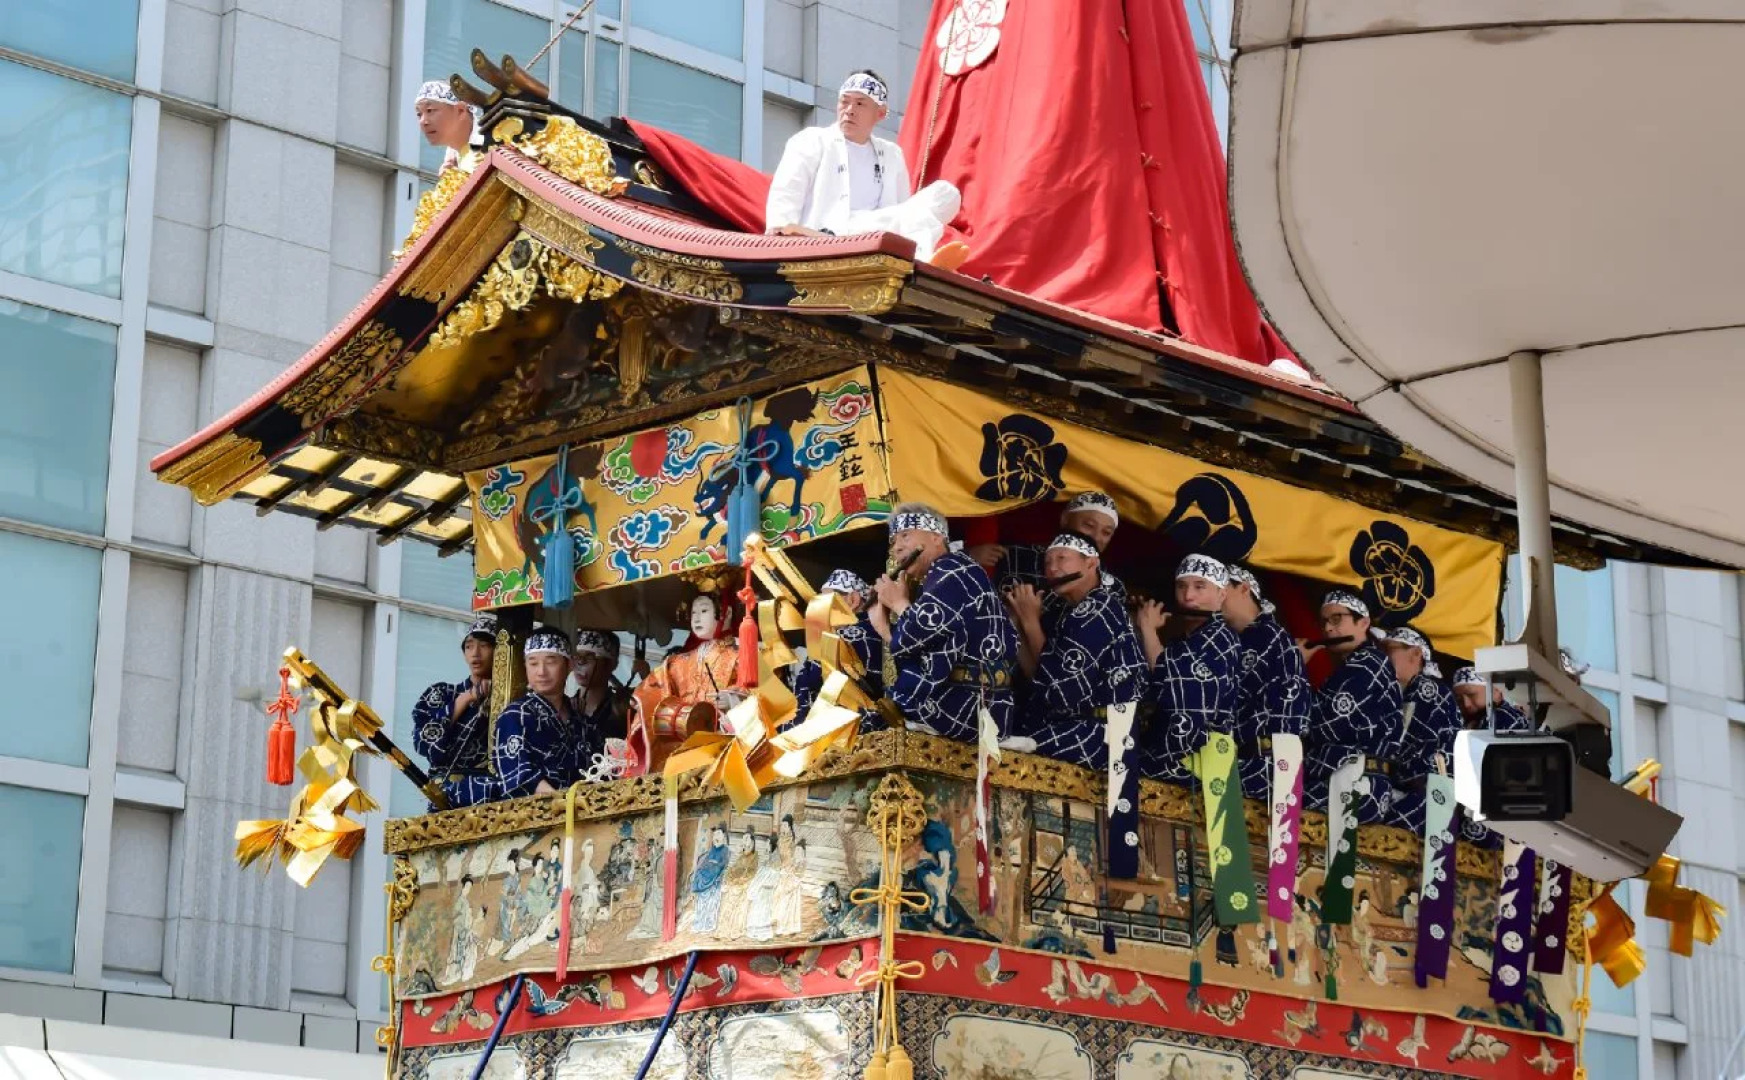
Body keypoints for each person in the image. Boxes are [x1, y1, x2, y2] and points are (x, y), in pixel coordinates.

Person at [765, 70, 970, 269]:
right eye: (844, 101)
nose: (849, 110)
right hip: (831, 234)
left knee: (946, 192)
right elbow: (787, 191)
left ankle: (920, 257)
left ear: (880, 113)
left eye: (860, 103)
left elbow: (905, 209)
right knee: (912, 216)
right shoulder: (812, 140)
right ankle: (922, 261)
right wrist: (779, 234)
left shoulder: (892, 154)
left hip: (878, 233)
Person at [867, 502, 1018, 742]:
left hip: (965, 708)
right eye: (893, 542)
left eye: (905, 535)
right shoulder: (953, 571)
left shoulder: (952, 569)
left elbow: (923, 633)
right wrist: (885, 628)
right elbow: (928, 644)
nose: (897, 548)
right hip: (984, 706)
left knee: (868, 721)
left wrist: (898, 603)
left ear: (936, 537)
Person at [1004, 533, 1146, 768]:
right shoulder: (1066, 611)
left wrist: (1030, 620)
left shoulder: (1099, 608)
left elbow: (1060, 690)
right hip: (1072, 727)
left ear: (1091, 563)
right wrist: (1017, 622)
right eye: (1047, 562)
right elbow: (1039, 677)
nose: (1052, 568)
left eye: (1062, 558)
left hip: (1097, 735)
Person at [442, 627, 601, 808]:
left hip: (580, 811)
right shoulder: (516, 715)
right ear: (525, 666)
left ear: (569, 665)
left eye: (551, 662)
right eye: (533, 663)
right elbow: (519, 775)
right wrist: (563, 804)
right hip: (537, 812)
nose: (541, 672)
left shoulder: (584, 724)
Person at [1135, 555, 1242, 781]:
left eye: (1199, 587)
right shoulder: (1184, 640)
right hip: (1167, 753)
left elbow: (1173, 685)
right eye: (1181, 586)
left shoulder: (1221, 638)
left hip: (1194, 762)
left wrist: (1148, 630)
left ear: (1221, 594)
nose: (1188, 596)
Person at [1301, 590, 1405, 823]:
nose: (1328, 629)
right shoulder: (1355, 665)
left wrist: (1295, 668)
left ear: (1363, 623)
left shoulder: (1369, 663)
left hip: (1357, 782)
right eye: (1324, 622)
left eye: (1337, 619)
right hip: (1348, 779)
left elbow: (1329, 724)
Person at [628, 590, 742, 773]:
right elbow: (657, 682)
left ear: (726, 613)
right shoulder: (679, 661)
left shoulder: (739, 655)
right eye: (693, 613)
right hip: (680, 741)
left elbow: (755, 693)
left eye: (703, 611)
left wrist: (733, 700)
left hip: (719, 739)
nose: (696, 618)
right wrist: (643, 698)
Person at [1223, 565, 1311, 799]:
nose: (1215, 597)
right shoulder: (1228, 639)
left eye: (1221, 589)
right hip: (1232, 759)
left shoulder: (1274, 637)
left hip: (1264, 764)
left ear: (1244, 589)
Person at [1373, 625, 1460, 831]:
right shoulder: (1405, 690)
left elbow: (1399, 749)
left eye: (1389, 650)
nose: (1382, 657)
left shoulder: (1427, 689)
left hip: (1424, 795)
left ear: (1416, 654)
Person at [969, 490, 1124, 597]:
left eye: (1106, 532)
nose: (1096, 537)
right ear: (1065, 519)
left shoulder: (1110, 586)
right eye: (1089, 525)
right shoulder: (1017, 556)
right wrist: (968, 556)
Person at [412, 614, 497, 801]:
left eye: (484, 645)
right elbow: (423, 743)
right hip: (446, 793)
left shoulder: (511, 698)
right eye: (469, 646)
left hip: (492, 794)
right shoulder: (442, 693)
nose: (475, 653)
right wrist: (465, 699)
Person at [790, 569, 885, 729]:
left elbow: (810, 682)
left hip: (846, 729)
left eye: (826, 602)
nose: (820, 611)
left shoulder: (844, 638)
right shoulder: (881, 630)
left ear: (853, 600)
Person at [570, 629, 625, 741]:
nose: (580, 662)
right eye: (576, 656)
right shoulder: (564, 707)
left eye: (589, 657)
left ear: (611, 664)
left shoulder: (619, 712)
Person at [414, 79, 480, 171]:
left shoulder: (495, 142)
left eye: (430, 110)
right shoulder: (452, 163)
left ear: (460, 110)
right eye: (419, 114)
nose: (423, 121)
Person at [1451, 666, 1535, 733]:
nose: (1466, 704)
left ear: (1496, 691)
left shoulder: (1503, 717)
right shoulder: (1472, 720)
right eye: (1459, 699)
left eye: (1472, 695)